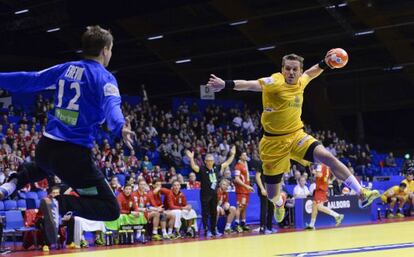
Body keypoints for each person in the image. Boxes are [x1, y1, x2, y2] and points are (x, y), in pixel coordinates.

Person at [207, 51, 379, 223]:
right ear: (282, 69)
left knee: (328, 157)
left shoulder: (301, 82)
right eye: (287, 69)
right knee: (272, 194)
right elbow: (249, 85)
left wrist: (325, 63)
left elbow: (311, 72)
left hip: (296, 136)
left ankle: (361, 192)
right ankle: (280, 203)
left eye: (294, 69)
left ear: (299, 71)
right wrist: (225, 84)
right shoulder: (274, 81)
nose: (291, 72)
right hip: (273, 144)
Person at [0, 26, 136, 222]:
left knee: (45, 166)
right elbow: (112, 105)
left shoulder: (66, 69)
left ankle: (11, 184)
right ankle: (60, 204)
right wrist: (120, 126)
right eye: (111, 49)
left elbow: (30, 79)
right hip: (74, 156)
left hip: (46, 148)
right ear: (105, 49)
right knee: (110, 209)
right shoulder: (105, 77)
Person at [186, 146, 236, 237]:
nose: (210, 162)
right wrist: (191, 158)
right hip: (205, 195)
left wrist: (232, 154)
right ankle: (206, 230)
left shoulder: (216, 168)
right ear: (205, 161)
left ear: (213, 161)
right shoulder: (202, 169)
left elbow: (227, 163)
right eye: (208, 160)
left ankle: (213, 230)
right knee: (205, 214)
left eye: (211, 160)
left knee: (214, 213)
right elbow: (193, 167)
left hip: (214, 195)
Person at [306, 164, 344, 230]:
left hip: (321, 189)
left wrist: (313, 171)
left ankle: (337, 215)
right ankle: (311, 225)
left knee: (318, 206)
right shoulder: (327, 166)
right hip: (322, 188)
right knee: (314, 206)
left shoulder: (320, 165)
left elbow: (319, 175)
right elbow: (329, 177)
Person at [234, 152, 254, 232]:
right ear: (240, 156)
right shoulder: (238, 166)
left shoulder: (245, 165)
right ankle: (237, 225)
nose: (246, 156)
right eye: (244, 155)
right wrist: (246, 186)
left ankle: (243, 224)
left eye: (246, 155)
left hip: (246, 190)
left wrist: (248, 186)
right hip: (241, 190)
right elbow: (237, 179)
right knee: (240, 207)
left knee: (244, 207)